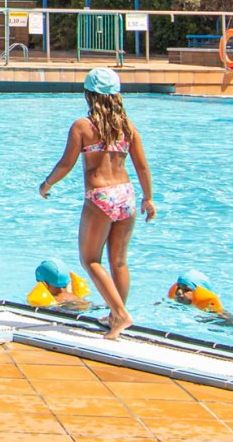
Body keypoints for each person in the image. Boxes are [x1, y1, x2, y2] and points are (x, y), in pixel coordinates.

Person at [38, 67, 157, 340]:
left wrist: (47, 184)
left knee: (90, 259)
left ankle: (121, 314)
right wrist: (148, 198)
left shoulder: (83, 126)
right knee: (118, 261)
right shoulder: (128, 127)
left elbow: (66, 163)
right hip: (126, 195)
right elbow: (142, 166)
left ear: (89, 95)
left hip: (100, 196)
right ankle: (116, 315)